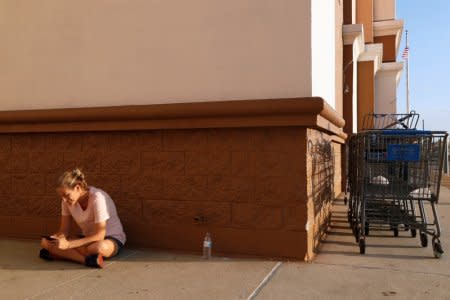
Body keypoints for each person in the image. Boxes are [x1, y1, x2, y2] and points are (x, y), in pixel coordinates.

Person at [39, 168, 126, 268]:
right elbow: (64, 231)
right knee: (45, 243)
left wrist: (68, 245)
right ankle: (87, 260)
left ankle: (61, 254)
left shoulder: (98, 198)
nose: (64, 199)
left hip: (110, 239)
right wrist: (56, 238)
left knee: (98, 248)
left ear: (78, 187)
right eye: (61, 196)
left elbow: (100, 236)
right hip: (87, 239)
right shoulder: (66, 202)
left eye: (66, 195)